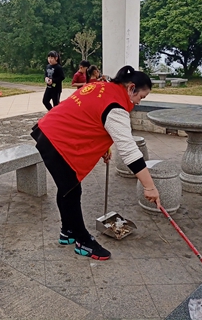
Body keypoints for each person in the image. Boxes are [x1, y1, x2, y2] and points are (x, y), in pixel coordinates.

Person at [31, 66, 161, 260]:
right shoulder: (116, 106)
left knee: (68, 188)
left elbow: (88, 115)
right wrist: (149, 187)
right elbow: (130, 152)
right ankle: (83, 241)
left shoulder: (103, 86)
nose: (138, 102)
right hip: (58, 140)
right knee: (71, 191)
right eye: (141, 97)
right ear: (131, 88)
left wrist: (103, 147)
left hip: (50, 130)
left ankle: (67, 232)